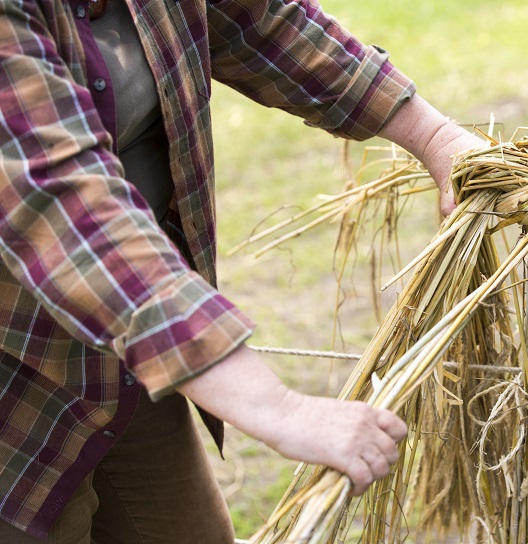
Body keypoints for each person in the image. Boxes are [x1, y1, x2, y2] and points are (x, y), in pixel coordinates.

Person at [0, 0, 482, 541]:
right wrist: (278, 408)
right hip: (15, 371)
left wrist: (441, 141)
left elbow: (263, 22)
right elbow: (69, 209)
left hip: (128, 347)